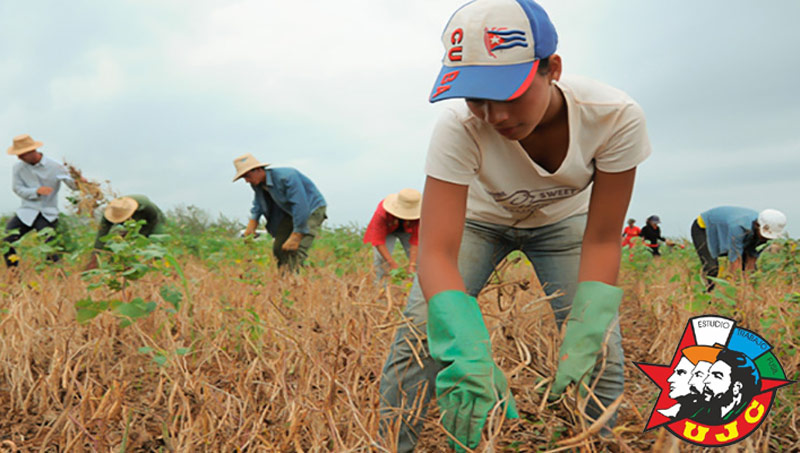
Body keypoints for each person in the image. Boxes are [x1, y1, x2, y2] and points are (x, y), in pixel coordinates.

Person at [377, 0, 652, 450]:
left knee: (599, 350)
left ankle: (600, 442)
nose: (494, 116)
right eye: (477, 98)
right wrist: (464, 348)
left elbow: (603, 239)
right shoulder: (458, 128)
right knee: (420, 333)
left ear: (552, 69)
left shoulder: (615, 117)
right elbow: (437, 253)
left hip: (564, 224)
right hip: (479, 222)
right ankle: (391, 444)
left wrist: (586, 326)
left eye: (509, 94)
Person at [233, 153, 327, 271]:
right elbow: (258, 203)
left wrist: (297, 235)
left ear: (257, 170)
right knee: (279, 249)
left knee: (296, 250)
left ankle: (295, 282)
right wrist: (253, 223)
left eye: (247, 176)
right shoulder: (257, 184)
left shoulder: (287, 177)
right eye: (244, 178)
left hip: (311, 209)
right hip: (290, 212)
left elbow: (300, 206)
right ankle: (284, 280)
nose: (247, 181)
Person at [4, 134, 79, 268]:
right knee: (5, 241)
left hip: (47, 214)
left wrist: (80, 182)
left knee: (50, 248)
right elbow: (17, 189)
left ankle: (56, 276)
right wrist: (36, 191)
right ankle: (13, 273)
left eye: (21, 154)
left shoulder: (55, 166)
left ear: (32, 151)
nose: (19, 157)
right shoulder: (18, 168)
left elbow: (72, 185)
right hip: (26, 212)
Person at [691, 206, 786, 291]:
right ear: (757, 226)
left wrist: (748, 287)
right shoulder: (738, 227)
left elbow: (751, 261)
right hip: (704, 227)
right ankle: (709, 295)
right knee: (711, 268)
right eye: (764, 237)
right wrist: (735, 289)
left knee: (749, 271)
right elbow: (735, 261)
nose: (765, 240)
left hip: (731, 228)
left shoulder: (763, 235)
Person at [86, 195, 166, 270]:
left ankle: (158, 267)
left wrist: (138, 235)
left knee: (156, 241)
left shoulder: (145, 205)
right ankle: (122, 265)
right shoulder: (110, 212)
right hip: (131, 224)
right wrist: (94, 258)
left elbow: (153, 221)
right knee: (118, 241)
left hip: (153, 219)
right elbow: (101, 235)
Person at [363, 189, 421, 282]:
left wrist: (412, 265)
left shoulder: (419, 216)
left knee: (419, 262)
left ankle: (415, 292)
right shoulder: (382, 212)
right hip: (387, 231)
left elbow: (416, 239)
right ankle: (380, 291)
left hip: (407, 230)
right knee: (381, 262)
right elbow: (378, 240)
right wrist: (391, 263)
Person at [694, 348, 761, 425]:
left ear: (737, 387)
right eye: (709, 375)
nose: (705, 381)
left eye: (717, 376)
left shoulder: (747, 417)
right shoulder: (701, 413)